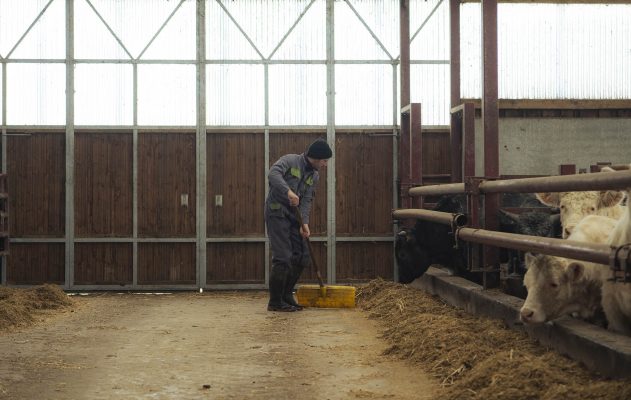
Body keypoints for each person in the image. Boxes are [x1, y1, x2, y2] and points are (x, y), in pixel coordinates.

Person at [265, 139, 332, 312]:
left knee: (302, 257)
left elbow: (307, 200)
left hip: (295, 217)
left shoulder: (314, 175)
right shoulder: (290, 160)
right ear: (316, 158)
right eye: (324, 161)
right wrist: (288, 192)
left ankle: (287, 295)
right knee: (283, 257)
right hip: (277, 212)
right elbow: (273, 174)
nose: (325, 165)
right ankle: (275, 301)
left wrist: (305, 223)